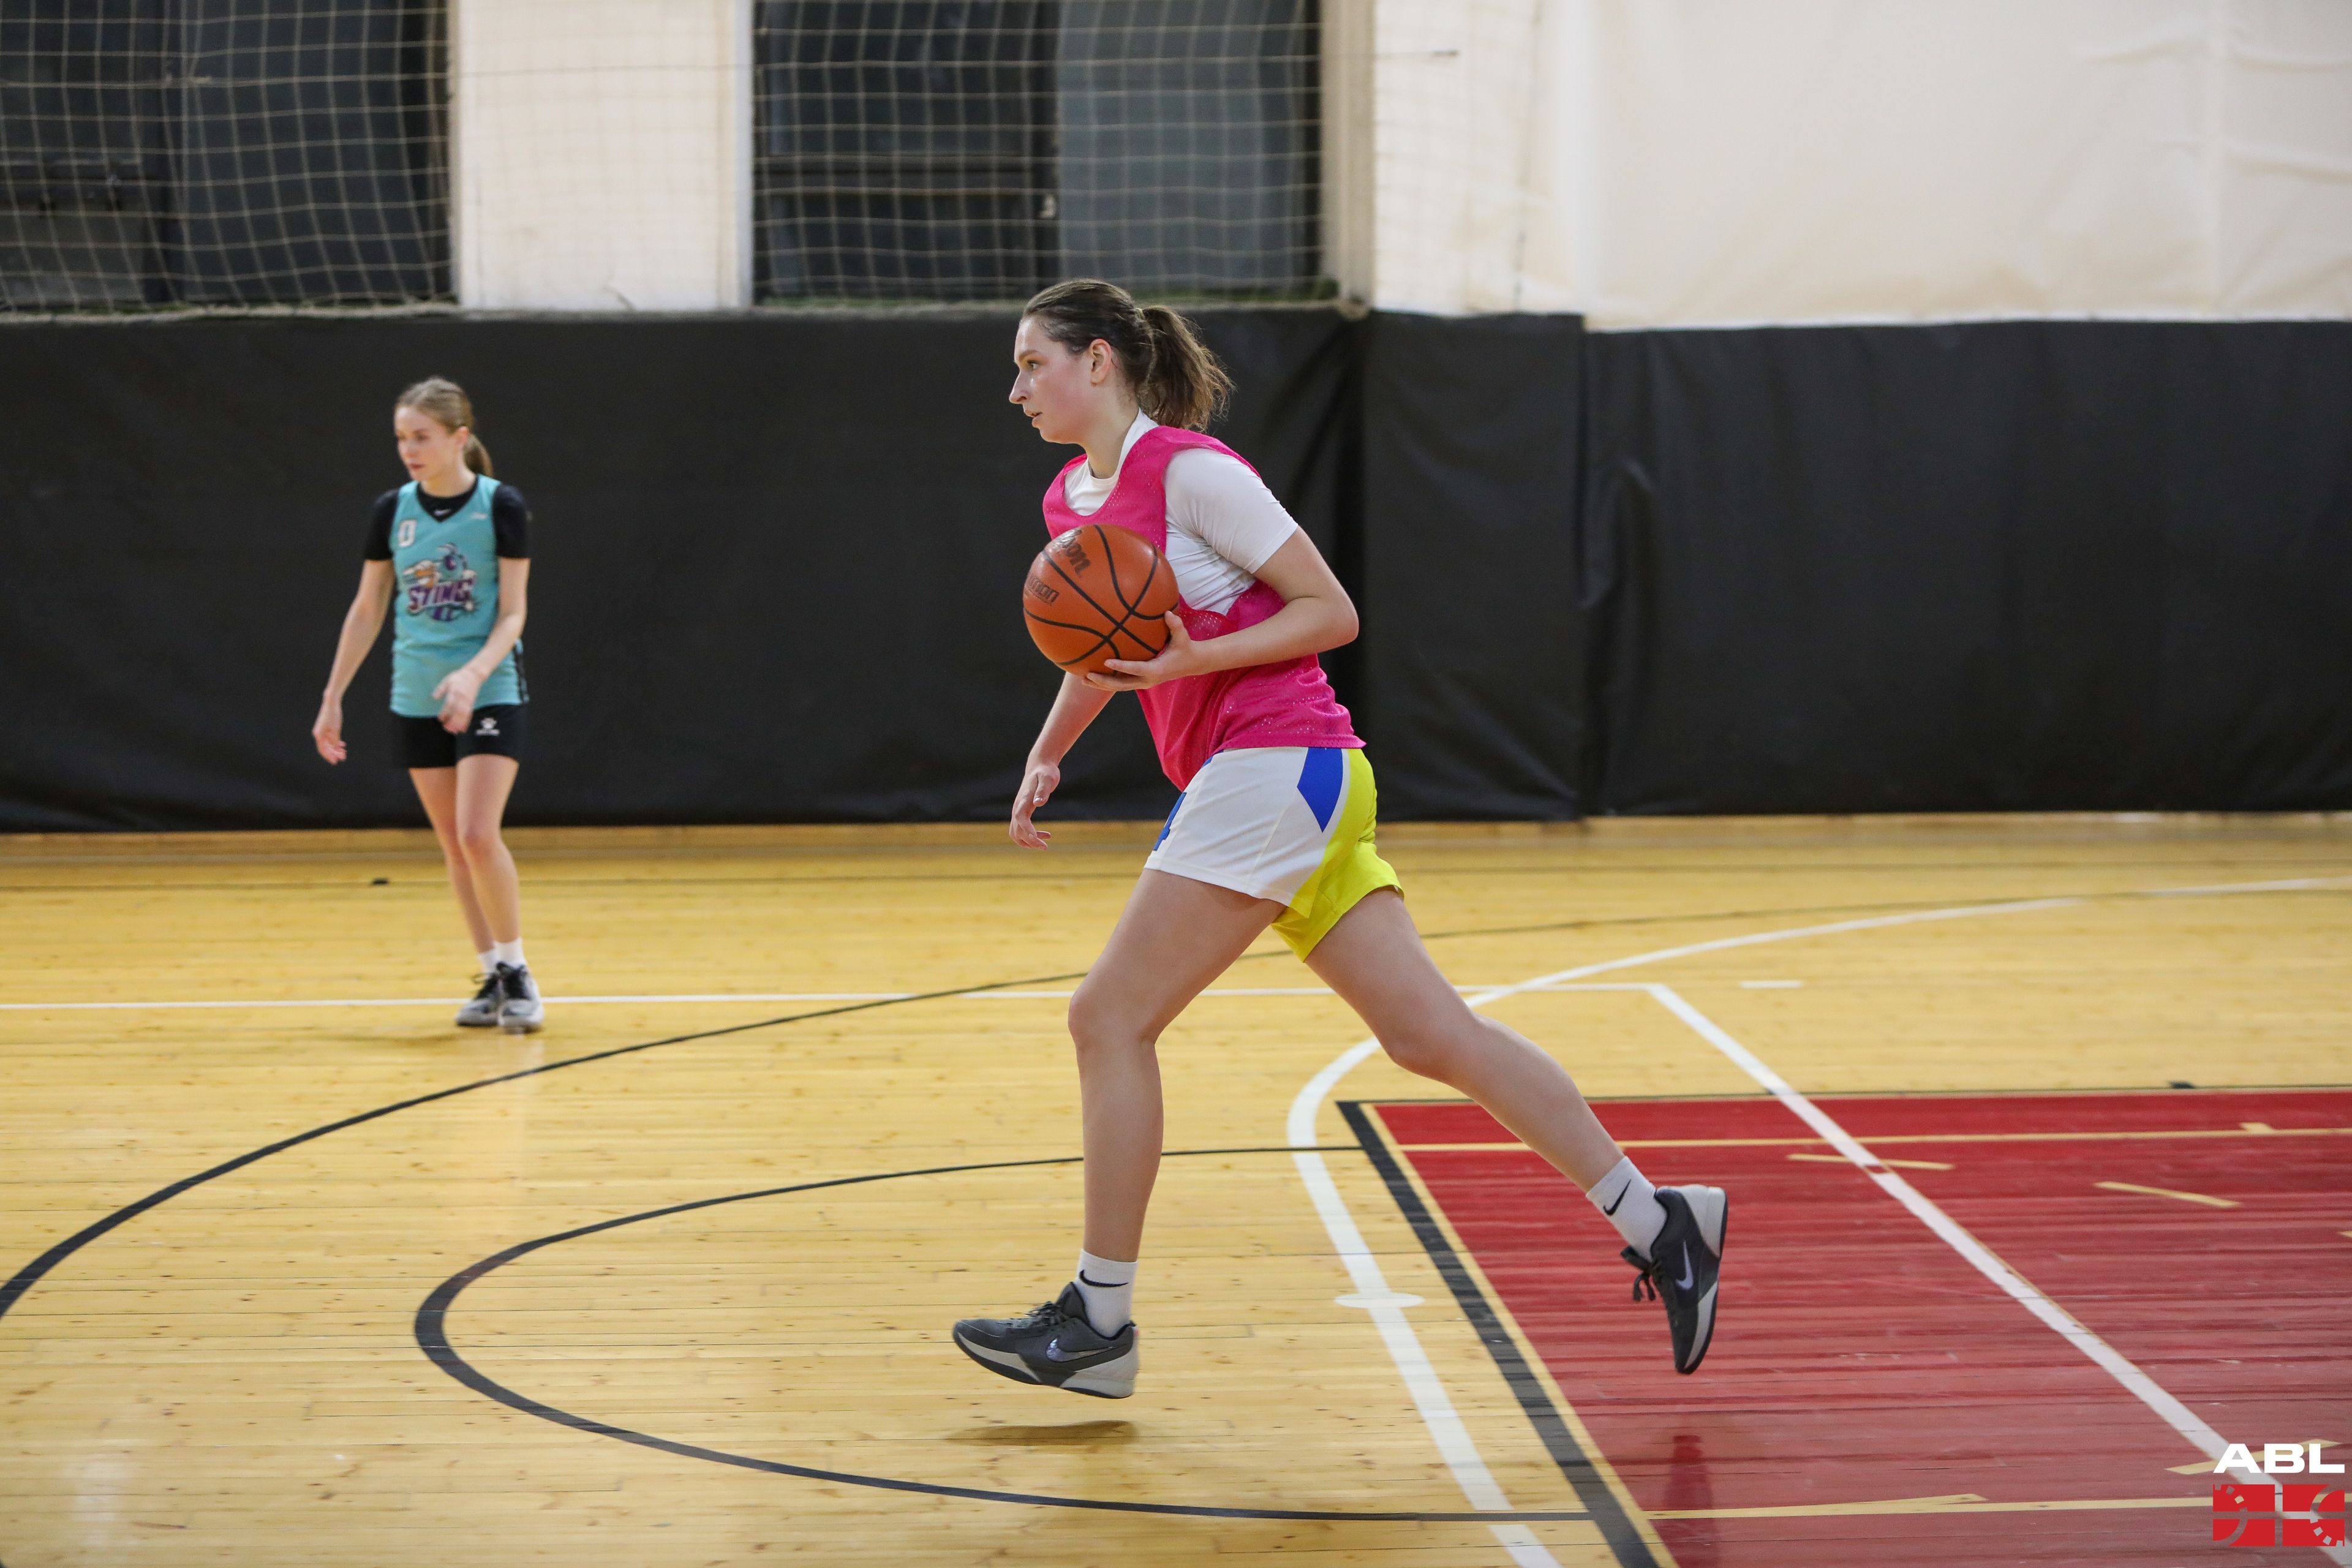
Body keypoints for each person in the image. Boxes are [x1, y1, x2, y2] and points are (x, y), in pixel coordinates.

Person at [952, 281, 1727, 1399]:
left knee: (1107, 1018)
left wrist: (1195, 660)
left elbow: (1330, 612)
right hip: (1283, 784)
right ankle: (1661, 1223)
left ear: (1100, 363)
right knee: (1433, 1038)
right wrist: (1049, 750)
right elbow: (1100, 643)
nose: (1018, 388)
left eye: (1033, 363)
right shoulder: (1069, 498)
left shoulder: (1195, 473)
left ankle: (1099, 1320)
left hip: (1279, 763)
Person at [312, 377, 545, 1035]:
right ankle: (492, 974)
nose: (409, 450)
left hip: (489, 686)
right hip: (416, 690)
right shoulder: (394, 509)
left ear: (458, 438)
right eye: (400, 439)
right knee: (453, 844)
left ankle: (519, 971)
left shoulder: (501, 505)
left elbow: (514, 613)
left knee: (477, 833)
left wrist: (473, 674)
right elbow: (368, 608)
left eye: (422, 437)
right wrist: (333, 696)